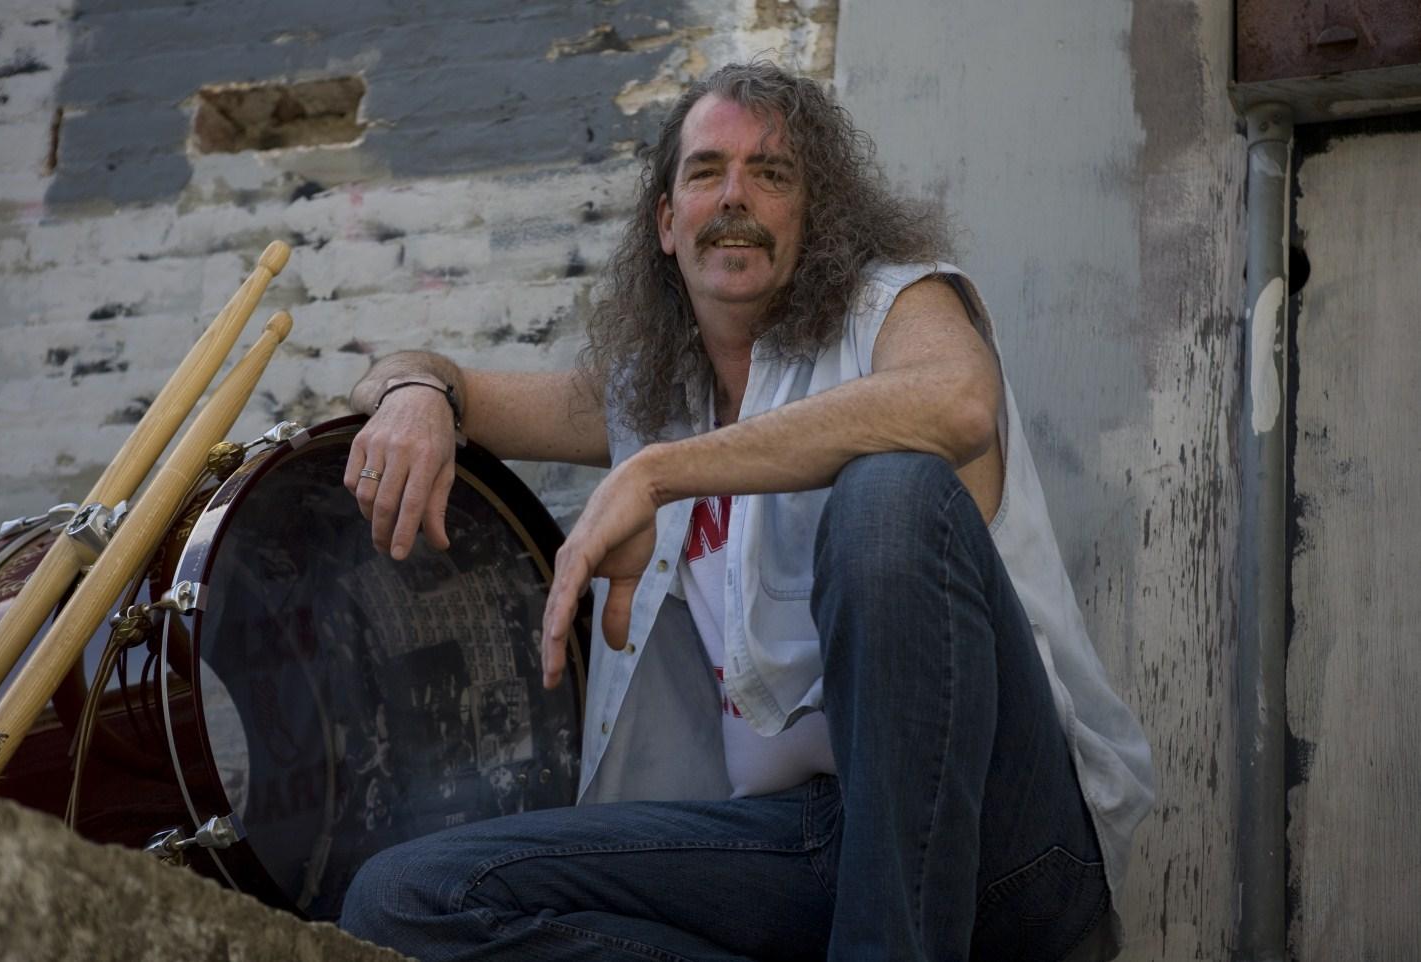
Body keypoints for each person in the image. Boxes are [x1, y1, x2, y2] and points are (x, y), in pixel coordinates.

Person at [337, 61, 1154, 962]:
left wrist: (658, 476)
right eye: (706, 171)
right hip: (807, 847)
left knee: (889, 494)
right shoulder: (652, 399)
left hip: (1008, 846)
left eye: (771, 173)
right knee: (405, 899)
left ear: (815, 215)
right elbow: (437, 378)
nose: (735, 195)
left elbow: (955, 402)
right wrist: (416, 392)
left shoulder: (891, 307)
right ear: (666, 222)